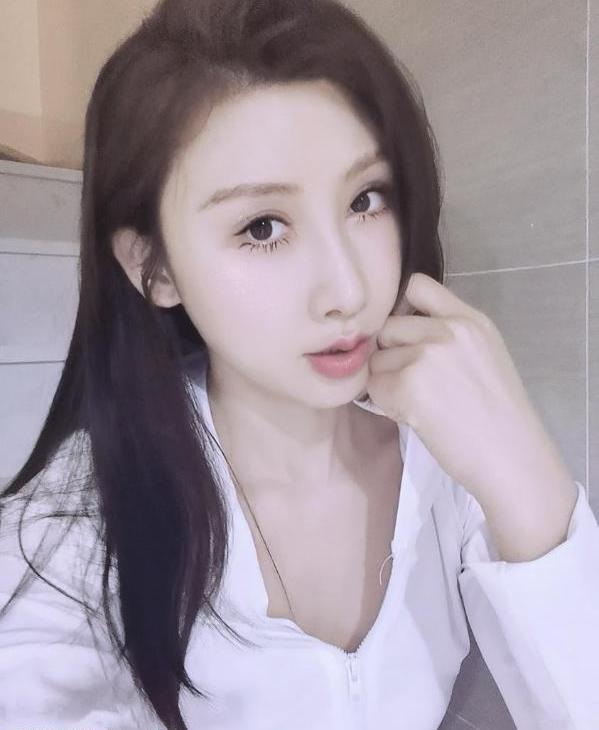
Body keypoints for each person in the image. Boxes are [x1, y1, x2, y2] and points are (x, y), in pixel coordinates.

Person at [1, 0, 599, 729]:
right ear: (154, 267)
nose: (347, 290)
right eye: (262, 227)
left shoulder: (447, 455)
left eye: (366, 199)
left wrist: (523, 468)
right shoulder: (76, 523)